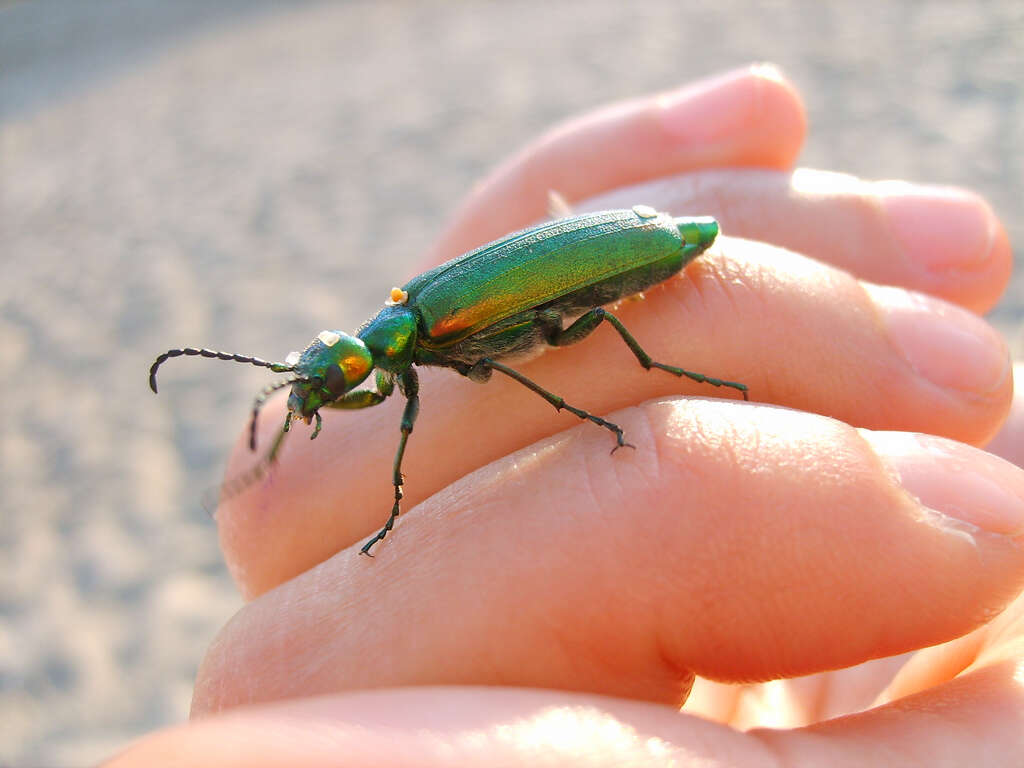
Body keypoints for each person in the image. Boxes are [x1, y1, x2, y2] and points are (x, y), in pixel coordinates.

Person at [108, 64, 1024, 766]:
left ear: (368, 357)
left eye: (329, 377)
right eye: (321, 382)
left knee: (545, 354)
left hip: (630, 255)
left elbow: (513, 378)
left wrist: (620, 393)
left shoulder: (426, 333)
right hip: (608, 248)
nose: (327, 389)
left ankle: (657, 361)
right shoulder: (411, 323)